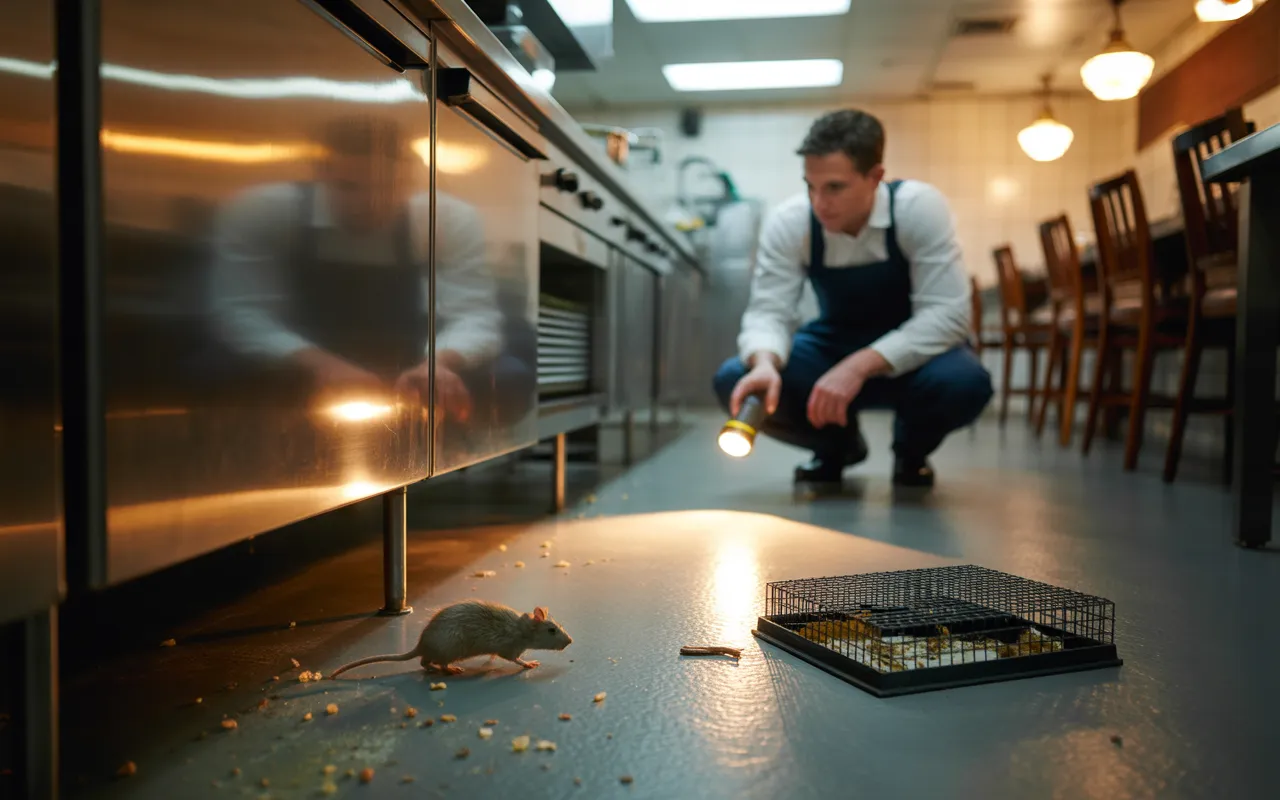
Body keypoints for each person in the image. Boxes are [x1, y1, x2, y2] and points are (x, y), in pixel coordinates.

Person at [713, 109, 993, 487]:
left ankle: (911, 452)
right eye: (810, 186)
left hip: (915, 359)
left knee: (965, 382)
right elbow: (769, 311)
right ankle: (836, 447)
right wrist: (764, 361)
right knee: (736, 378)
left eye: (834, 187)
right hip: (832, 345)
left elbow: (949, 314)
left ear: (875, 177)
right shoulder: (791, 222)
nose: (818, 202)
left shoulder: (917, 208)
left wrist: (858, 366)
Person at [209, 115, 534, 427]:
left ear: (408, 179)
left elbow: (474, 315)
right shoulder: (265, 211)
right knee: (211, 372)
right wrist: (322, 366)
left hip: (411, 357)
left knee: (508, 377)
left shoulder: (447, 219)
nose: (370, 203)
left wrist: (438, 365)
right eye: (350, 187)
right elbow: (242, 312)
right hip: (303, 355)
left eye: (387, 186)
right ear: (322, 173)